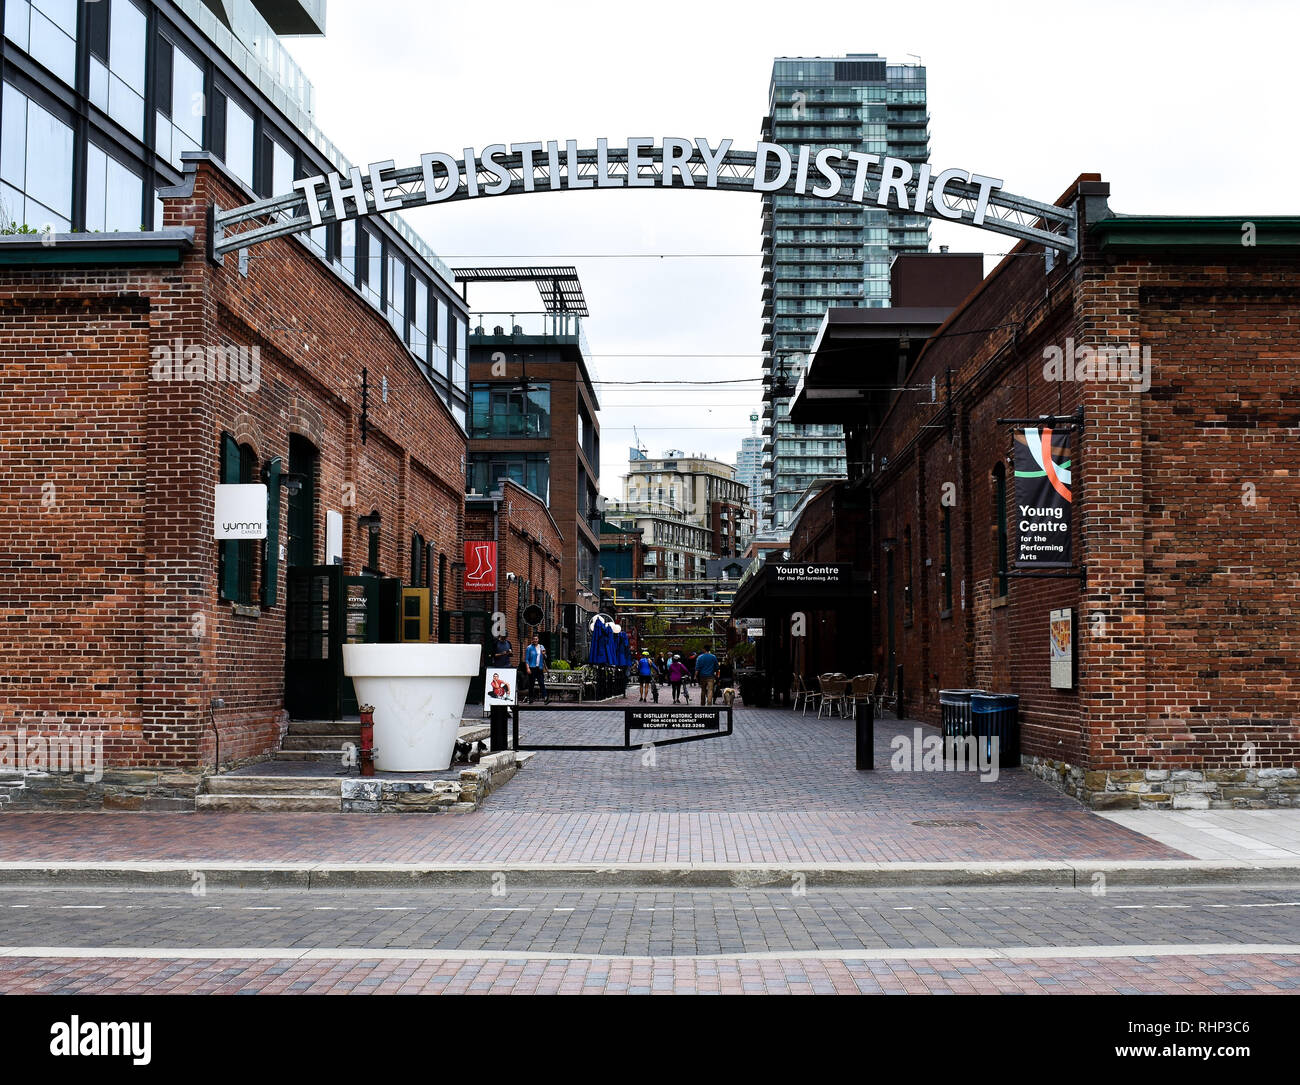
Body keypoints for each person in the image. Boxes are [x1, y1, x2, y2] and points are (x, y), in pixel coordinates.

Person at [524, 634, 548, 704]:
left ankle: (545, 698)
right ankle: (531, 699)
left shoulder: (541, 647)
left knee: (541, 683)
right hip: (532, 668)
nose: (535, 640)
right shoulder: (529, 648)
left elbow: (545, 657)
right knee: (531, 684)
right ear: (532, 640)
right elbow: (527, 659)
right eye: (534, 639)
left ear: (538, 640)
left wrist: (543, 654)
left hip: (539, 668)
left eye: (536, 639)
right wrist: (527, 668)